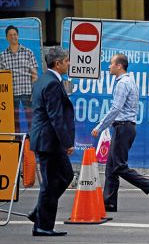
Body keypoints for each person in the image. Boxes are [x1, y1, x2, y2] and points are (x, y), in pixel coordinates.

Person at [91, 54, 149, 212]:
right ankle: (109, 202)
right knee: (111, 166)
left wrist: (100, 127)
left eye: (111, 64)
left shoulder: (123, 83)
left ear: (119, 66)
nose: (109, 66)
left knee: (119, 166)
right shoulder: (128, 81)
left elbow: (116, 108)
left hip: (123, 127)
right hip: (124, 127)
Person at [28, 47, 75, 236]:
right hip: (49, 140)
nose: (68, 63)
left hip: (46, 139)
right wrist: (67, 143)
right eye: (66, 60)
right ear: (58, 63)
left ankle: (40, 212)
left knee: (65, 175)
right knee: (51, 182)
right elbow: (55, 116)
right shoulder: (53, 84)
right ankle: (43, 225)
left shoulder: (43, 80)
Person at [0, 25, 38, 133]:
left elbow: (34, 75)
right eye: (10, 35)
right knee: (14, 123)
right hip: (11, 94)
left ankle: (32, 146)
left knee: (31, 120)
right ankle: (17, 146)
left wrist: (34, 92)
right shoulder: (2, 56)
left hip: (27, 92)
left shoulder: (28, 52)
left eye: (15, 34)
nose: (13, 37)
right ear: (6, 38)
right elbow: (2, 77)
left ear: (18, 36)